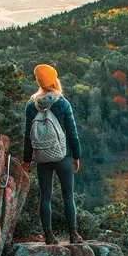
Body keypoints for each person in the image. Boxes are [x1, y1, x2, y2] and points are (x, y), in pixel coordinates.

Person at [22, 64, 83, 245]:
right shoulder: (62, 104)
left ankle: (49, 236)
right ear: (54, 80)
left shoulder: (31, 105)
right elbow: (72, 133)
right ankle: (73, 235)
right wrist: (76, 156)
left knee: (45, 197)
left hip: (42, 158)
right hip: (62, 156)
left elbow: (28, 135)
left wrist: (27, 159)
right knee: (68, 196)